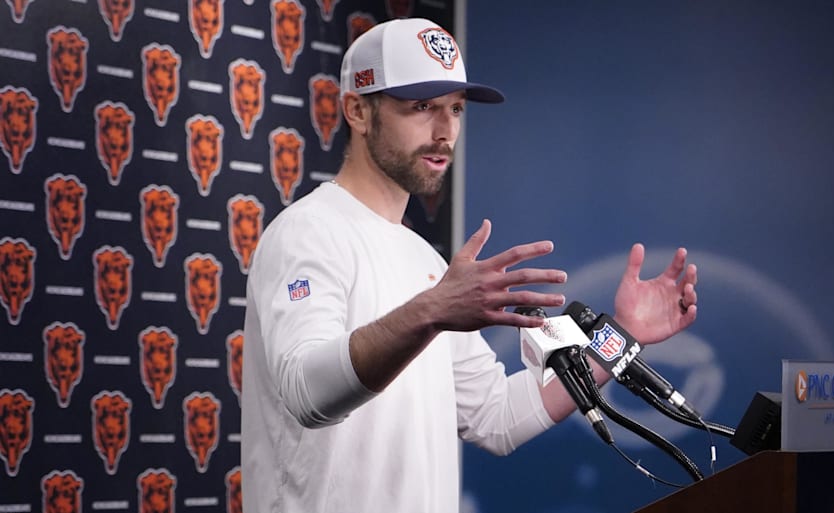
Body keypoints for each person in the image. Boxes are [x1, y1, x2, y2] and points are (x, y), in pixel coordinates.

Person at [241, 17, 699, 513]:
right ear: (357, 110)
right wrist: (431, 311)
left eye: (455, 109)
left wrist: (618, 339)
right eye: (422, 107)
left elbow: (494, 416)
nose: (445, 132)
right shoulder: (308, 232)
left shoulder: (423, 260)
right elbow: (307, 394)